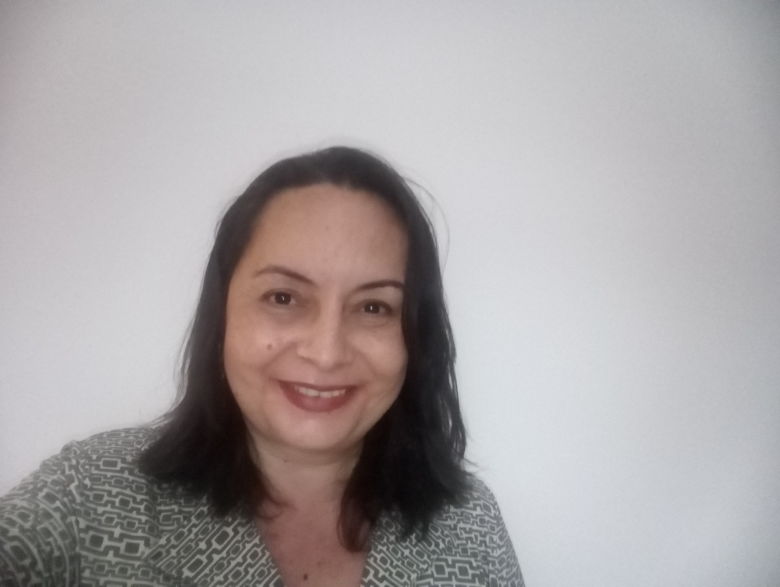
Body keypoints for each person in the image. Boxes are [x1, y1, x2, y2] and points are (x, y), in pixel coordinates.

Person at [0, 147, 523, 586]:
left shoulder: (469, 525)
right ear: (222, 314)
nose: (326, 352)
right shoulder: (87, 497)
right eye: (283, 297)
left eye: (373, 307)